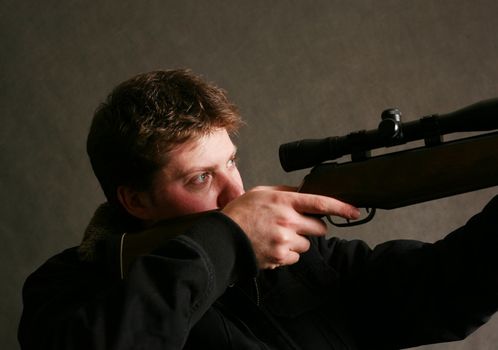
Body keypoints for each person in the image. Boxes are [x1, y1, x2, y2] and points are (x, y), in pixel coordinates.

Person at [18, 69, 498, 349]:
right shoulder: (66, 290)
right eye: (201, 177)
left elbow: (438, 292)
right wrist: (228, 241)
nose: (236, 192)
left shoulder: (293, 257)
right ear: (135, 199)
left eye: (232, 161)